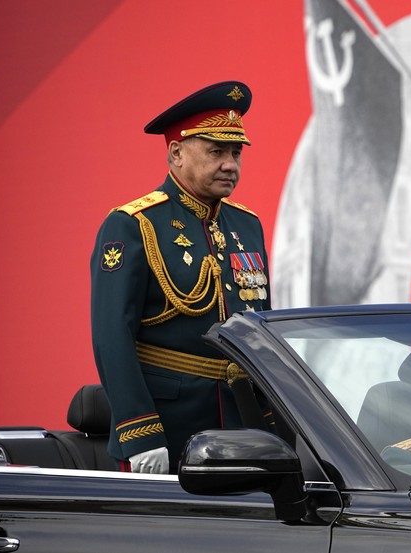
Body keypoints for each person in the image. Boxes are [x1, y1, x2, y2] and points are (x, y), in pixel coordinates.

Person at [90, 81, 272, 474]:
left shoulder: (247, 224)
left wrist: (274, 422)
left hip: (242, 424)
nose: (230, 164)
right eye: (216, 151)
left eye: (236, 152)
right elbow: (112, 335)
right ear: (176, 153)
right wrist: (140, 430)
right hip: (170, 427)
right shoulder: (133, 224)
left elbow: (260, 332)